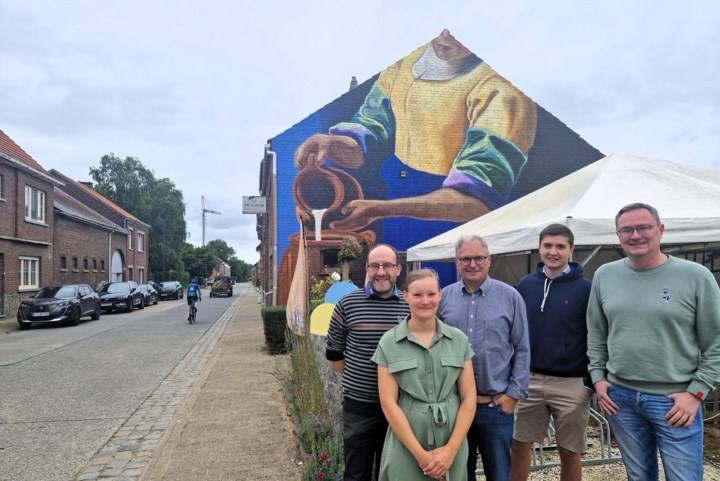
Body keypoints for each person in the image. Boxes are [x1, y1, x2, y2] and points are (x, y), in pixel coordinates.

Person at [294, 29, 536, 247]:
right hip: (396, 206)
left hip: (453, 223)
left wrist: (382, 210)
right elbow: (371, 126)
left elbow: (479, 202)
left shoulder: (504, 92)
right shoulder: (404, 63)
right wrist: (333, 144)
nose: (445, 36)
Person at [587, 203, 720, 481]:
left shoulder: (695, 276)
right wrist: (598, 377)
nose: (635, 235)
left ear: (660, 230)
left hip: (674, 400)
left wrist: (697, 392)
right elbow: (597, 333)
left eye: (643, 227)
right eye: (626, 230)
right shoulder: (604, 275)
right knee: (638, 476)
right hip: (620, 397)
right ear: (618, 235)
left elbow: (716, 340)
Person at [438, 234, 530, 481]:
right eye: (465, 258)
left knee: (499, 474)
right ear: (457, 262)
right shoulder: (444, 298)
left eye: (478, 257)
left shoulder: (510, 297)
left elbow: (522, 348)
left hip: (495, 406)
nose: (472, 264)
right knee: (458, 474)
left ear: (489, 260)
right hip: (454, 406)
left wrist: (513, 395)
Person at [372, 269, 477, 481]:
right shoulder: (389, 342)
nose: (425, 301)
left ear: (440, 295)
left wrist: (450, 450)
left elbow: (468, 399)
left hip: (451, 439)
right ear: (406, 296)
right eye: (417, 295)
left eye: (431, 294)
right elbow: (388, 403)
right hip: (407, 441)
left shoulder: (458, 340)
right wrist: (421, 456)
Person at [510, 224, 593, 481]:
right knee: (519, 446)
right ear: (539, 248)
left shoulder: (586, 289)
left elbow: (597, 335)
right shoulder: (526, 285)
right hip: (529, 380)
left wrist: (589, 382)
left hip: (571, 383)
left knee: (569, 451)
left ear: (571, 249)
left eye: (560, 246)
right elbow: (516, 332)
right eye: (547, 245)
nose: (553, 251)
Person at [325, 244, 411, 481]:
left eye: (387, 266)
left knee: (393, 473)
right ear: (367, 269)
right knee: (356, 473)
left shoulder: (410, 305)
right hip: (359, 408)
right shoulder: (347, 304)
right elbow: (334, 355)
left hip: (401, 407)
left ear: (398, 269)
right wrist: (361, 380)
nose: (381, 271)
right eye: (375, 266)